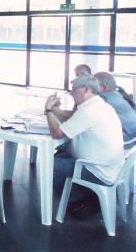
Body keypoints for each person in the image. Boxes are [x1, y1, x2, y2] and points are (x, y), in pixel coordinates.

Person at [44, 75, 124, 214]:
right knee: (61, 155)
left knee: (50, 163)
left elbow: (56, 133)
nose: (71, 94)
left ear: (86, 89)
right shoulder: (100, 105)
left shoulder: (88, 112)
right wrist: (55, 109)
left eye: (73, 90)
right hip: (112, 168)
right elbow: (73, 120)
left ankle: (70, 200)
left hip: (98, 172)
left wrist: (49, 110)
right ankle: (87, 197)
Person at [95, 72, 136, 146]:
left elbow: (84, 113)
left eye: (94, 85)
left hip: (127, 140)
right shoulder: (117, 93)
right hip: (132, 137)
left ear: (104, 87)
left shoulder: (104, 98)